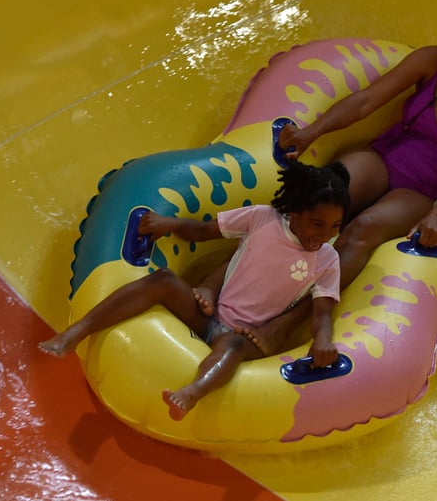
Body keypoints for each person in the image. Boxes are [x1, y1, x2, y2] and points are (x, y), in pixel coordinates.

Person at [195, 0, 437, 355]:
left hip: (423, 190)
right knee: (313, 199)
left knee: (362, 230)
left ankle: (283, 325)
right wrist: (311, 132)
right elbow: (367, 101)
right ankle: (214, 282)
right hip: (384, 157)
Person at [38, 160, 351, 421]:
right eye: (317, 224)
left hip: (246, 335)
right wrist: (168, 223)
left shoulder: (327, 259)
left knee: (231, 347)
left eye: (335, 226)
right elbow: (202, 232)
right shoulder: (262, 218)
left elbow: (322, 312)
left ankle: (192, 392)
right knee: (162, 279)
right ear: (294, 211)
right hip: (210, 313)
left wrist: (323, 340)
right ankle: (74, 332)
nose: (324, 235)